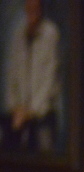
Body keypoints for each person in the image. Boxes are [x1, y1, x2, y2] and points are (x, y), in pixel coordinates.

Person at [2, 0, 60, 152]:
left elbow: (50, 78)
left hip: (42, 112)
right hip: (20, 113)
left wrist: (31, 110)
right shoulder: (19, 33)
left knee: (44, 157)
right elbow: (12, 72)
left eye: (35, 7)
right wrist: (15, 107)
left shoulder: (50, 33)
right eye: (29, 7)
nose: (32, 11)